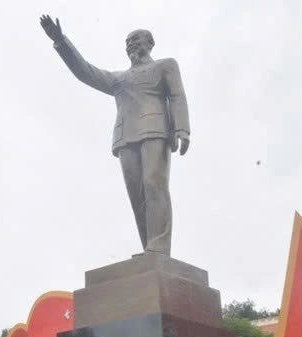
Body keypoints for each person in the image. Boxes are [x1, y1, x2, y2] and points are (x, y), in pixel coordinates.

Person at [39, 17, 190, 256]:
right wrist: (61, 41)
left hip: (156, 130)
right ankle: (150, 250)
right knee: (137, 195)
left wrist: (182, 128)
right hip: (125, 137)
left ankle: (159, 246)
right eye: (127, 41)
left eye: (135, 39)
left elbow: (178, 96)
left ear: (150, 43)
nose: (130, 44)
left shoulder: (166, 65)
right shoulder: (119, 79)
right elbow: (85, 72)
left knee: (154, 184)